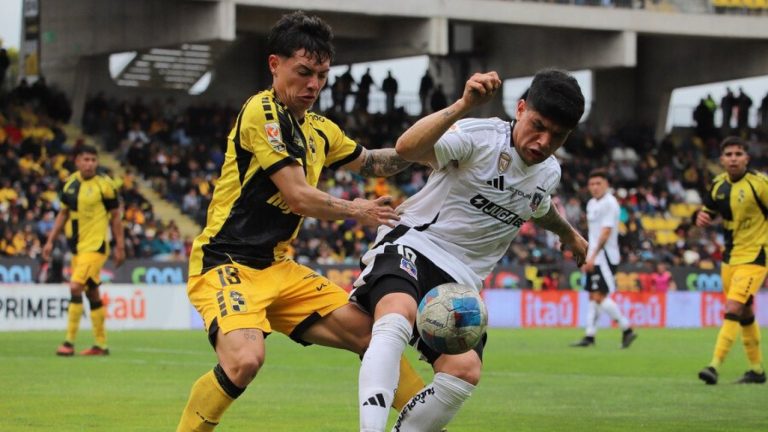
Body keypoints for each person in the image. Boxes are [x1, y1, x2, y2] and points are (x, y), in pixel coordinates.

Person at [176, 11, 425, 431]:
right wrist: (356, 209)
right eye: (304, 72)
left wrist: (441, 143)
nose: (314, 86)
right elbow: (297, 195)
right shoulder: (262, 111)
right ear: (275, 65)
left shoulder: (320, 130)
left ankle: (429, 423)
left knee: (373, 337)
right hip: (226, 263)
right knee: (245, 360)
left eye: (322, 76)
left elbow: (375, 162)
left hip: (278, 268)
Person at [353, 69, 589, 431]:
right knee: (396, 318)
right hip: (416, 243)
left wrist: (569, 234)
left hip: (462, 283)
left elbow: (540, 208)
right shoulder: (481, 136)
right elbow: (407, 149)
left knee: (464, 371)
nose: (542, 141)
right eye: (537, 125)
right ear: (521, 108)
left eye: (556, 136)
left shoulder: (548, 173)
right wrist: (464, 105)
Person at [696, 136, 768, 385]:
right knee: (746, 312)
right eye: (729, 154)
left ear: (747, 158)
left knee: (733, 308)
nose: (734, 158)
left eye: (739, 154)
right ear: (722, 159)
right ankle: (757, 370)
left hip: (756, 256)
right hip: (730, 259)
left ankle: (713, 365)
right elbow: (707, 212)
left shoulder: (760, 185)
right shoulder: (717, 185)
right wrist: (702, 218)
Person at [42, 145, 125, 356]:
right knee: (92, 292)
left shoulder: (105, 185)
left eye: (93, 160)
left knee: (75, 286)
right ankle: (101, 345)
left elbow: (116, 217)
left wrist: (120, 246)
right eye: (85, 159)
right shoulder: (70, 185)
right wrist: (50, 241)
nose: (90, 164)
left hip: (96, 247)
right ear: (77, 161)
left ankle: (68, 342)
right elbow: (63, 215)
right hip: (78, 249)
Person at [571, 169, 637, 349]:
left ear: (606, 185)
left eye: (598, 183)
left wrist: (591, 257)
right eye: (591, 184)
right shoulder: (591, 203)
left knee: (599, 296)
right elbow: (592, 234)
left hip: (606, 258)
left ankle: (626, 328)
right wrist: (587, 255)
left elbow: (605, 233)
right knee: (593, 295)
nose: (594, 187)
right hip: (594, 256)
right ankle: (590, 335)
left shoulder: (610, 203)